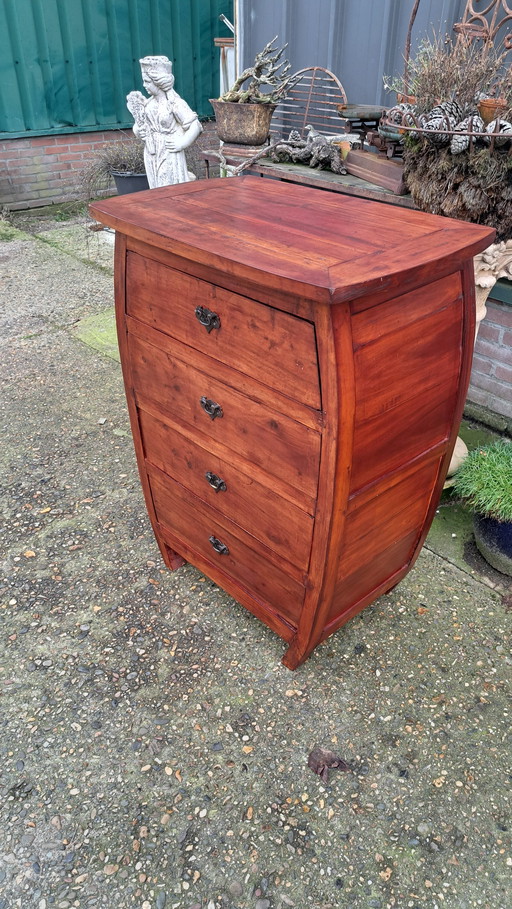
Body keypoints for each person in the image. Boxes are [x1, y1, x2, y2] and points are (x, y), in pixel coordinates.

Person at [127, 56, 202, 187]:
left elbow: (196, 126)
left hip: (168, 151)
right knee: (155, 187)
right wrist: (138, 131)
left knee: (168, 187)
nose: (144, 85)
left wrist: (182, 143)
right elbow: (139, 125)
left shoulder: (174, 103)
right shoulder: (148, 104)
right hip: (151, 152)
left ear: (158, 81)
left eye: (147, 81)